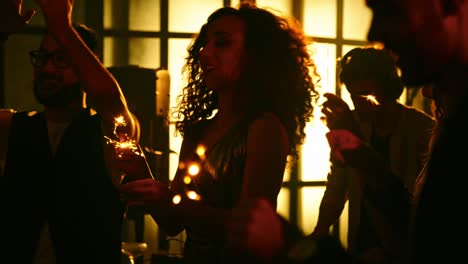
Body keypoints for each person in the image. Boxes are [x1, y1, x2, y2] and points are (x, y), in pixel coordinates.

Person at [118, 2, 319, 263]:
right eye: (204, 44)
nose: (204, 53)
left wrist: (170, 198)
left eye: (221, 43)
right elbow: (171, 224)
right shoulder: (198, 130)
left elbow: (249, 228)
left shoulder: (264, 128)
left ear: (256, 55)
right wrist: (141, 171)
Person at [0, 0, 139, 263]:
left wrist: (61, 26)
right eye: (42, 58)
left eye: (61, 59)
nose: (47, 69)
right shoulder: (13, 127)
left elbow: (109, 98)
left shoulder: (107, 130)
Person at [313, 47, 435, 264]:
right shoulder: (350, 124)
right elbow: (337, 187)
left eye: (366, 95)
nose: (358, 104)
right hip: (360, 244)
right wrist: (318, 233)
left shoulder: (422, 129)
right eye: (353, 95)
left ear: (389, 89)